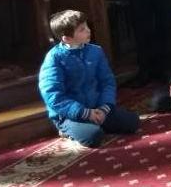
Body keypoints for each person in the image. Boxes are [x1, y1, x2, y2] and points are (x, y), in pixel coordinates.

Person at [38, 9, 141, 148]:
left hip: (97, 107)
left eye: (86, 26)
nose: (88, 30)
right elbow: (53, 95)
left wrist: (104, 108)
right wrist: (84, 113)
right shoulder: (54, 58)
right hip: (71, 114)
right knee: (94, 137)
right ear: (67, 38)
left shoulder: (95, 51)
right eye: (82, 29)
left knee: (132, 122)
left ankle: (96, 122)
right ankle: (66, 128)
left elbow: (107, 82)